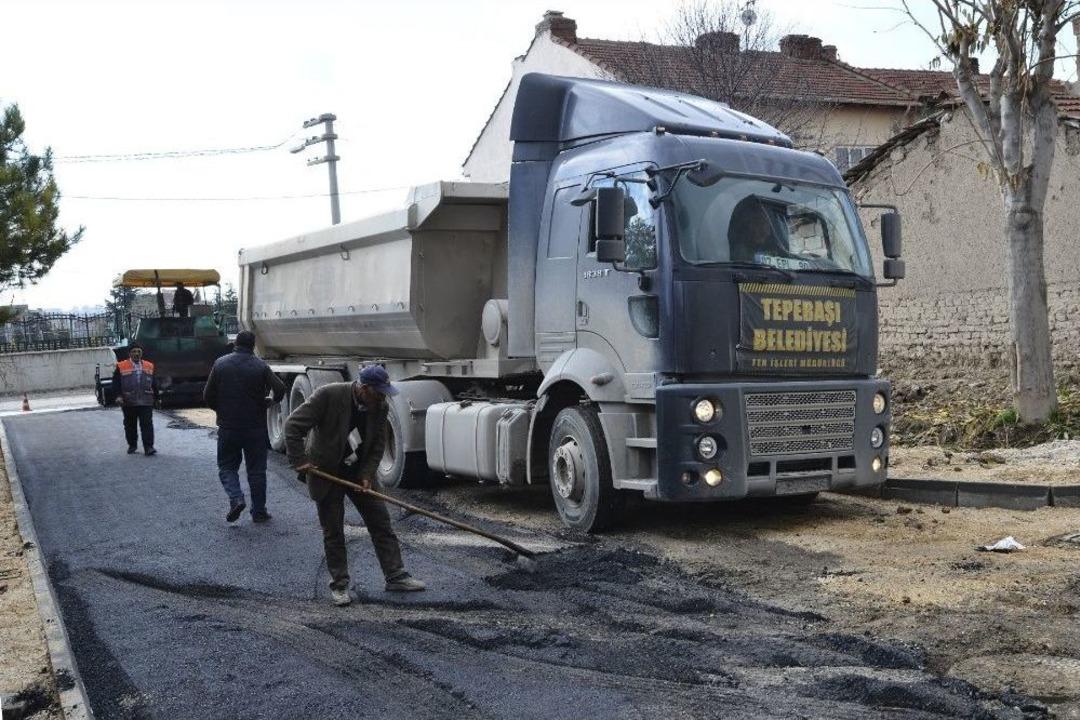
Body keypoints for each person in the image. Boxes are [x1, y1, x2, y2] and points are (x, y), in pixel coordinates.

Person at [284, 365, 426, 606]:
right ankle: (339, 585)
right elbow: (292, 426)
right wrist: (300, 462)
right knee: (333, 531)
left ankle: (396, 575)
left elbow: (378, 444)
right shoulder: (328, 395)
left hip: (358, 471)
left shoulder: (379, 405)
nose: (382, 397)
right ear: (363, 388)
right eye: (378, 392)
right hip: (326, 472)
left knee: (381, 522)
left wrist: (368, 474)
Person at [204, 330, 286, 524]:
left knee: (226, 466)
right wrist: (270, 402)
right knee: (257, 470)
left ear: (235, 344)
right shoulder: (261, 366)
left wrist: (221, 411)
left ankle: (236, 498)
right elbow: (280, 388)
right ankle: (258, 512)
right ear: (252, 346)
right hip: (255, 427)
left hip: (228, 427)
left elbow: (207, 395)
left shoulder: (220, 364)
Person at [112, 342, 158, 456]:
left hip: (145, 401)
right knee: (130, 425)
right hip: (128, 402)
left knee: (147, 424)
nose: (136, 353)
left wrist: (157, 398)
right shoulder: (121, 366)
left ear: (141, 353)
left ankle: (149, 447)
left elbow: (154, 383)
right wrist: (118, 396)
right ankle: (132, 445)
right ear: (129, 353)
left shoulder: (149, 365)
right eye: (134, 351)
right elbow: (116, 382)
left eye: (138, 351)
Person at [729, 196, 786, 263]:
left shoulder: (779, 250)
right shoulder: (739, 256)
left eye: (768, 225)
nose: (767, 232)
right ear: (748, 225)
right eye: (761, 223)